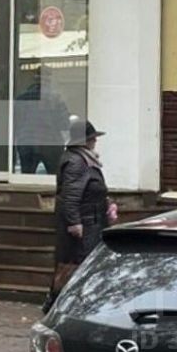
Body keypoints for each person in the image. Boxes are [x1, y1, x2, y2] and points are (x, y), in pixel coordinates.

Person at [43, 118, 118, 313]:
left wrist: (107, 202)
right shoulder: (77, 162)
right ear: (85, 141)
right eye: (92, 138)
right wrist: (74, 223)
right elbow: (71, 196)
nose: (95, 141)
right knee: (76, 266)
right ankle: (60, 304)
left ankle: (69, 304)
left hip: (91, 221)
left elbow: (91, 189)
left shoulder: (84, 159)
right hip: (85, 225)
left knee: (79, 265)